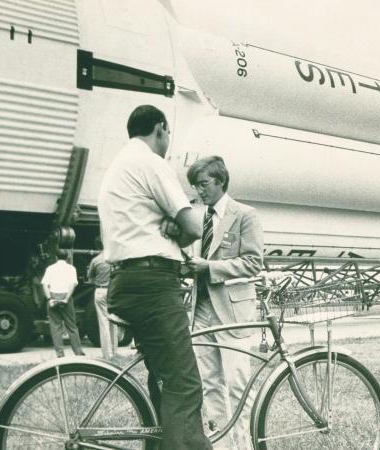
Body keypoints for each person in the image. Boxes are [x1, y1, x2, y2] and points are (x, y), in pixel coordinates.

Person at [97, 104, 210, 450]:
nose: (168, 142)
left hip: (125, 281)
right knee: (185, 383)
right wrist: (177, 228)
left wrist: (167, 225)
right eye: (168, 134)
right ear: (159, 128)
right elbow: (192, 226)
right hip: (153, 285)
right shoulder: (151, 162)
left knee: (162, 378)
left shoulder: (118, 166)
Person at [186, 156, 263, 450]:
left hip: (232, 313)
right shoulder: (197, 218)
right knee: (210, 384)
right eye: (195, 185)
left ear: (220, 181)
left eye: (203, 184)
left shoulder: (245, 214)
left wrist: (210, 268)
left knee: (237, 384)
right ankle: (221, 446)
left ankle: (245, 446)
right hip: (201, 311)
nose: (199, 190)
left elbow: (253, 263)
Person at [40, 252, 85, 358]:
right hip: (66, 296)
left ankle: (60, 353)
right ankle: (78, 352)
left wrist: (49, 299)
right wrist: (66, 298)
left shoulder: (50, 268)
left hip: (53, 295)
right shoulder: (71, 268)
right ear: (68, 257)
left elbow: (44, 284)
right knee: (72, 326)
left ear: (56, 257)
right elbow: (72, 285)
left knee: (55, 326)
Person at [87, 237, 117, 359]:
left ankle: (107, 353)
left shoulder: (96, 260)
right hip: (113, 290)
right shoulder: (113, 259)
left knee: (103, 322)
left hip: (100, 290)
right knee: (113, 321)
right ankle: (114, 351)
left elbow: (90, 278)